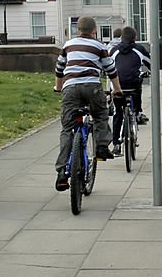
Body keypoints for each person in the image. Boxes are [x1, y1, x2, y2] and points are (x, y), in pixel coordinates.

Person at [54, 16, 122, 191]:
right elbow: (111, 70)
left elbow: (59, 69)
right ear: (94, 31)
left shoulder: (68, 45)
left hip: (70, 88)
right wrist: (117, 90)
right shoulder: (100, 46)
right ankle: (101, 147)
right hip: (92, 86)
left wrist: (58, 87)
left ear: (78, 30)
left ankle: (62, 173)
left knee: (67, 129)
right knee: (100, 114)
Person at [109, 26, 150, 157]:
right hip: (133, 86)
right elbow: (151, 63)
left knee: (118, 113)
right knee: (137, 87)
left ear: (121, 37)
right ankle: (137, 112)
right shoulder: (140, 49)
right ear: (135, 38)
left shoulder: (114, 50)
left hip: (117, 86)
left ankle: (116, 144)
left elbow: (108, 66)